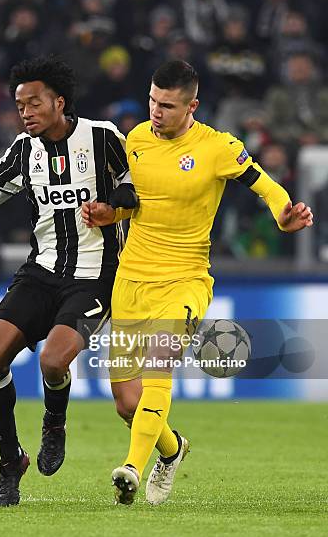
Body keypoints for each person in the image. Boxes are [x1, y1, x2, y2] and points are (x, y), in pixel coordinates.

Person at [82, 59, 313, 506]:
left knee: (158, 367)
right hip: (131, 277)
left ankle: (131, 467)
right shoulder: (136, 141)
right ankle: (172, 450)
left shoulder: (218, 148)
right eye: (152, 100)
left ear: (193, 105)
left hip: (185, 279)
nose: (155, 111)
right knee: (126, 402)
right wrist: (110, 213)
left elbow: (267, 187)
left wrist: (283, 215)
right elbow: (138, 205)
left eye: (167, 105)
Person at [0, 55, 137, 507]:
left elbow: (136, 184)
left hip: (94, 276)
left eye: (34, 103)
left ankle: (54, 424)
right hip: (41, 271)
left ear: (59, 102)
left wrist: (114, 204)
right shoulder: (24, 148)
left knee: (54, 361)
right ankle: (10, 458)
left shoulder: (103, 137)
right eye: (19, 106)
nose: (25, 112)